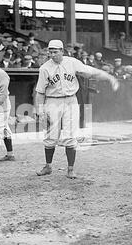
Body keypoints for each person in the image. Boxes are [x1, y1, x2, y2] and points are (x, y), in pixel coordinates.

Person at [35, 40, 119, 179]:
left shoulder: (72, 62)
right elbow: (40, 92)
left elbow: (91, 72)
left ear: (62, 51)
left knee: (70, 136)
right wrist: (40, 110)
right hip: (52, 101)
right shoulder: (44, 68)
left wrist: (109, 77)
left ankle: (70, 169)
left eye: (55, 51)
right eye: (50, 52)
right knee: (50, 136)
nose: (52, 54)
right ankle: (48, 166)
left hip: (70, 100)